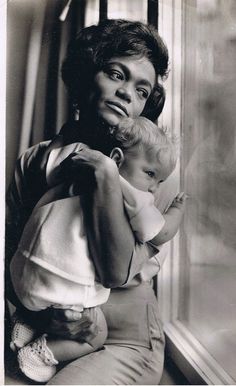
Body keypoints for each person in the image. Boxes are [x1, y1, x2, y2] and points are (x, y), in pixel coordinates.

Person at [5, 19, 181, 385]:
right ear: (87, 73)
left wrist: (104, 175)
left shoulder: (151, 176)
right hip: (53, 332)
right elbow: (15, 256)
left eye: (142, 90)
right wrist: (36, 314)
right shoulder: (35, 161)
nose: (127, 93)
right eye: (117, 74)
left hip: (126, 341)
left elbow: (116, 271)